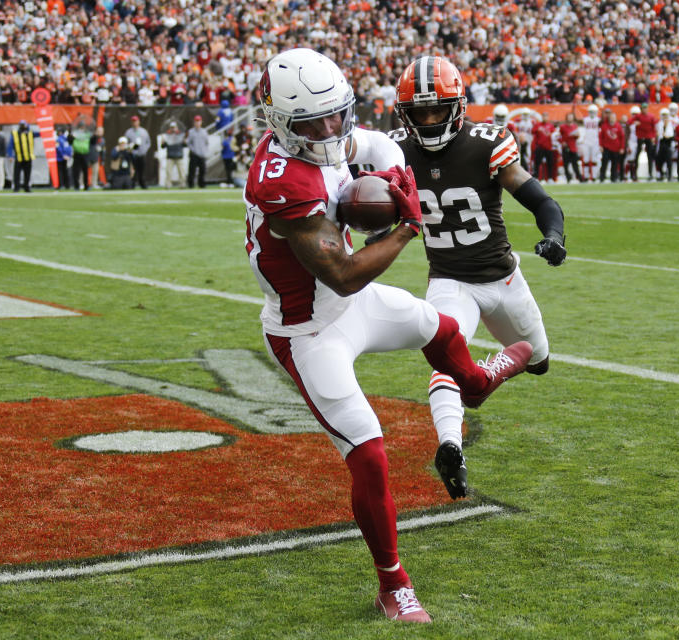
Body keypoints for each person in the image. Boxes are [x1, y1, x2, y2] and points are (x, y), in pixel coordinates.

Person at [245, 48, 532, 625]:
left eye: (336, 116)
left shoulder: (324, 135)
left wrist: (394, 174)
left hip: (349, 304)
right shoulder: (279, 181)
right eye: (313, 123)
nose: (330, 131)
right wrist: (407, 225)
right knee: (370, 455)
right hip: (309, 329)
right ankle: (392, 584)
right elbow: (343, 275)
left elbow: (376, 145)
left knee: (440, 328)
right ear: (280, 124)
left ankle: (477, 381)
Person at [390, 54, 565, 506]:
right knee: (446, 359)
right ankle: (451, 444)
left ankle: (492, 370)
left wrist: (554, 236)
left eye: (436, 109)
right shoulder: (394, 153)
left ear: (458, 105)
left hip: (503, 279)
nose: (428, 120)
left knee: (540, 360)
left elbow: (542, 201)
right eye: (419, 112)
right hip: (449, 280)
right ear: (404, 114)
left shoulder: (486, 144)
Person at [628, 102, 657, 180]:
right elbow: (629, 122)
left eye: (646, 108)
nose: (645, 109)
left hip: (648, 138)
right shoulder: (638, 116)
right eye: (643, 108)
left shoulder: (651, 116)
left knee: (650, 156)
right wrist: (635, 122)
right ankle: (635, 174)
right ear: (641, 109)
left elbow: (654, 127)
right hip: (640, 138)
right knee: (637, 155)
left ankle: (650, 174)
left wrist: (653, 137)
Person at [8, 120, 36, 193]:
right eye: (21, 125)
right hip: (19, 157)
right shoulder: (15, 134)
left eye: (24, 125)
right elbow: (10, 145)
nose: (23, 126)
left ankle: (26, 187)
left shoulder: (30, 133)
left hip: (28, 157)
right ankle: (16, 187)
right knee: (16, 174)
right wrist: (10, 155)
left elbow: (40, 134)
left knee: (27, 174)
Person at [124, 115, 151, 188]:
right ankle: (132, 184)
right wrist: (130, 147)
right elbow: (125, 143)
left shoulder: (143, 131)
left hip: (142, 154)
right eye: (133, 121)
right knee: (133, 170)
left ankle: (143, 184)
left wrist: (145, 150)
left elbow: (148, 142)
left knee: (142, 170)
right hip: (133, 154)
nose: (134, 123)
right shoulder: (128, 132)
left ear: (138, 122)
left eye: (135, 121)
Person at [599, 110, 625, 182]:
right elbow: (601, 137)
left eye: (613, 117)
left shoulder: (618, 126)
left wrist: (622, 147)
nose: (612, 119)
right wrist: (601, 146)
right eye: (611, 117)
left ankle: (613, 178)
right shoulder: (604, 126)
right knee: (604, 163)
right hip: (606, 148)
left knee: (615, 164)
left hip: (616, 148)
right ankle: (602, 177)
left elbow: (622, 138)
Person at [558, 112, 582, 183]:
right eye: (569, 117)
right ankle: (568, 178)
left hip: (573, 147)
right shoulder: (562, 127)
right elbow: (559, 136)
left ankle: (579, 178)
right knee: (566, 164)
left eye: (571, 117)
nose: (570, 118)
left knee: (575, 164)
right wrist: (562, 142)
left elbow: (577, 136)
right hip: (566, 148)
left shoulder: (575, 126)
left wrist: (577, 135)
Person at [160, 121, 186, 188]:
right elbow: (163, 146)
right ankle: (168, 185)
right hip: (170, 156)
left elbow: (184, 145)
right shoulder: (167, 135)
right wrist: (163, 143)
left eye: (174, 127)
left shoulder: (180, 135)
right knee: (168, 172)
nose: (173, 129)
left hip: (179, 155)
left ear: (177, 128)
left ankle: (182, 184)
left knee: (181, 172)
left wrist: (184, 141)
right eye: (172, 128)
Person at [580, 103, 601, 181]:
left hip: (595, 141)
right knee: (586, 159)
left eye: (594, 111)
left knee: (595, 159)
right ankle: (585, 176)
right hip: (586, 141)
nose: (592, 113)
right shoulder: (585, 119)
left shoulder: (599, 120)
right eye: (591, 111)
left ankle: (594, 176)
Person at [186, 114, 209, 188]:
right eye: (196, 121)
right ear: (194, 122)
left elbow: (206, 142)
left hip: (202, 154)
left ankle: (201, 183)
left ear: (201, 122)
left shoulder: (204, 131)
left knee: (202, 170)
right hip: (194, 154)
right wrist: (193, 150)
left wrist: (205, 151)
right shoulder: (191, 131)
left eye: (199, 121)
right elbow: (189, 143)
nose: (197, 123)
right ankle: (191, 184)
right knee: (192, 170)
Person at [655, 108, 675, 181]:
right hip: (661, 144)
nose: (665, 117)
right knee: (660, 161)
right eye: (663, 115)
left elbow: (670, 135)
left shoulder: (670, 124)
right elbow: (658, 135)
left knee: (669, 161)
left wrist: (663, 134)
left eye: (666, 115)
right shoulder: (659, 124)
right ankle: (660, 175)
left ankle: (669, 175)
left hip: (668, 144)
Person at [69, 125, 92, 189]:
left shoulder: (87, 134)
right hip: (77, 154)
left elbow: (93, 141)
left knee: (86, 171)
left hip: (85, 153)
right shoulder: (75, 134)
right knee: (76, 171)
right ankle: (77, 186)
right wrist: (70, 135)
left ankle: (86, 186)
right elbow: (70, 141)